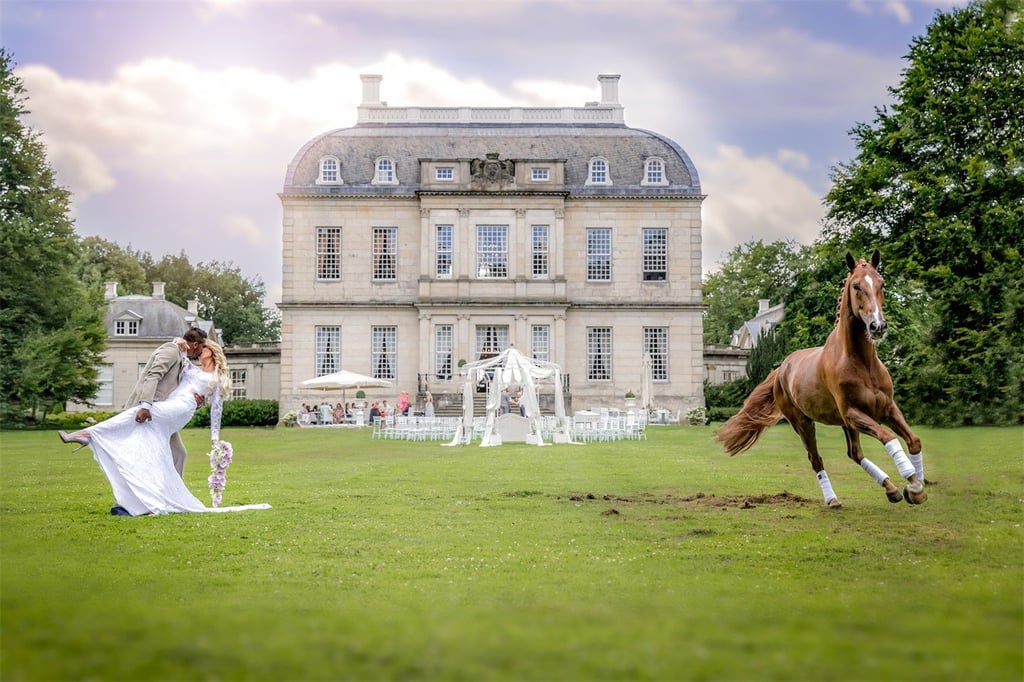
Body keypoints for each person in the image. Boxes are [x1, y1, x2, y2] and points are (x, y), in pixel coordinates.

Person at [58, 340, 270, 516]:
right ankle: (149, 498)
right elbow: (178, 360)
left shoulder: (219, 378)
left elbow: (216, 410)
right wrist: (177, 343)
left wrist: (215, 438)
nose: (197, 351)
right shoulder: (190, 367)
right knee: (158, 448)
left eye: (201, 348)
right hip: (170, 405)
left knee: (139, 414)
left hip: (180, 409)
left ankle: (88, 434)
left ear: (211, 352)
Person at [121, 327, 208, 477]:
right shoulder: (171, 350)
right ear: (195, 344)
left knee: (179, 455)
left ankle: (173, 496)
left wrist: (198, 402)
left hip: (163, 416)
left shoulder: (184, 362)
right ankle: (129, 498)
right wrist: (145, 406)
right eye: (202, 346)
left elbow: (184, 391)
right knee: (139, 457)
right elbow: (153, 375)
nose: (202, 351)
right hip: (145, 412)